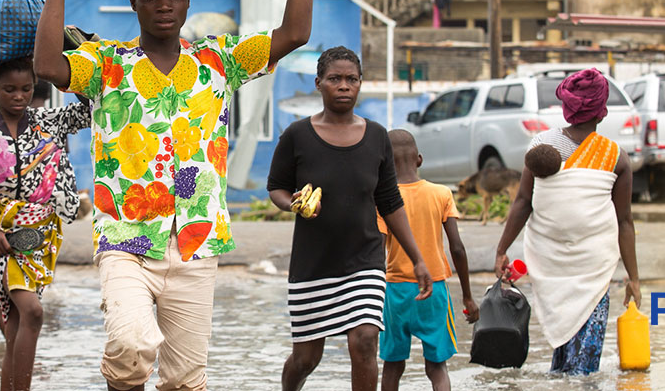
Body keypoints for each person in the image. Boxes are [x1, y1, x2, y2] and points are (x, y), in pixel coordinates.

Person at [24, 0, 312, 388]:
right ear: (134, 2)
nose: (163, 5)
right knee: (132, 344)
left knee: (185, 380)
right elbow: (48, 67)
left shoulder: (218, 61)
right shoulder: (107, 64)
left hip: (197, 241)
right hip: (125, 239)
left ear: (187, 1)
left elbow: (296, 32)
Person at [267, 48, 431, 391]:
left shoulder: (377, 137)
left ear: (360, 84)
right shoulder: (297, 135)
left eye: (351, 79)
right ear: (319, 84)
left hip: (365, 259)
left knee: (365, 340)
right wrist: (292, 203)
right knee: (307, 358)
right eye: (335, 79)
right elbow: (277, 188)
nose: (344, 86)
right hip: (313, 264)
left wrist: (417, 258)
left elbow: (390, 202)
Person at [0, 57, 91, 390]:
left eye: (27, 88)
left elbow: (92, 106)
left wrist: (76, 54)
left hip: (41, 240)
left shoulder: (50, 122)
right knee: (33, 312)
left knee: (14, 327)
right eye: (9, 89)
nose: (19, 96)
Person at [494, 68, 641, 375]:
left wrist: (502, 249)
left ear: (567, 107)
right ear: (602, 111)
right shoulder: (616, 157)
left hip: (551, 266)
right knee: (583, 369)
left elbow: (523, 203)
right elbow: (624, 222)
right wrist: (633, 278)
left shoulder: (541, 146)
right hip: (594, 271)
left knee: (563, 357)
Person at [378, 129, 478, 391]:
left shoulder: (382, 199)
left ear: (385, 163)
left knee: (392, 365)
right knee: (436, 367)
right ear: (419, 159)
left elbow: (377, 251)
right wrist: (467, 296)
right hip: (433, 288)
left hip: (395, 290)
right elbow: (457, 248)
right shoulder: (441, 193)